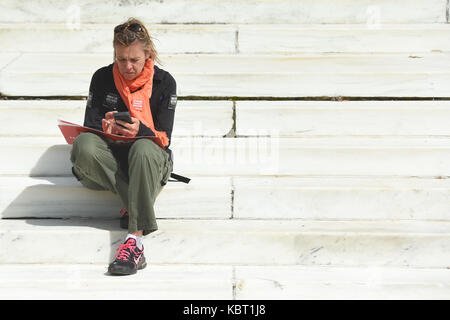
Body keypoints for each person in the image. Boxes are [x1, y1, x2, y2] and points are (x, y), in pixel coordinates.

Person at [70, 18, 179, 275]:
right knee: (83, 145)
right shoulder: (102, 77)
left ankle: (135, 240)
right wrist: (106, 129)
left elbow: (165, 137)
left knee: (142, 148)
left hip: (149, 160)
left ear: (148, 54)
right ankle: (136, 199)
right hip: (112, 159)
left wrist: (139, 130)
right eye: (121, 60)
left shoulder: (165, 83)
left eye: (134, 60)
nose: (127, 67)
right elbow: (89, 124)